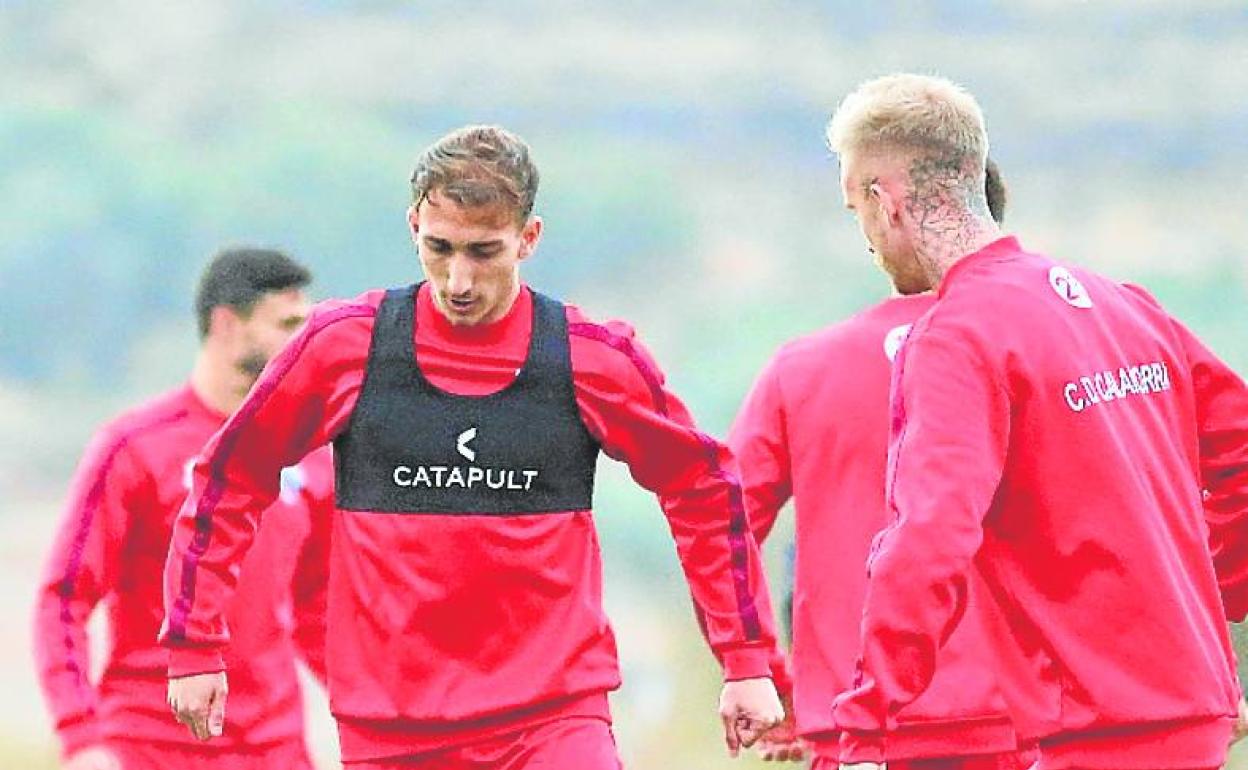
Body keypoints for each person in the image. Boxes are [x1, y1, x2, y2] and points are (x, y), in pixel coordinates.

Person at [159, 125, 785, 769]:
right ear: (414, 227)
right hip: (393, 732)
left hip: (553, 719)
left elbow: (702, 487)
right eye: (439, 248)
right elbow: (231, 477)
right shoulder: (341, 348)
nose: (458, 280)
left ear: (528, 239)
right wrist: (194, 643)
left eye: (484, 252)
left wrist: (745, 659)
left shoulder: (592, 358)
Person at [825, 72, 1248, 770]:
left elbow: (929, 535)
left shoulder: (957, 337)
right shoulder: (1122, 306)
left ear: (885, 201)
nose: (867, 239)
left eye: (854, 210)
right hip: (1193, 717)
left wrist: (868, 724)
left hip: (1095, 734)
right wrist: (1207, 606)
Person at [732, 161, 1031, 769]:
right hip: (1024, 724)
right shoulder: (1044, 349)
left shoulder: (802, 368)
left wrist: (759, 668)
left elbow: (720, 526)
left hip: (858, 730)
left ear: (881, 216)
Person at [33, 248, 332, 770]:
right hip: (151, 747)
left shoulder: (312, 455)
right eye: (287, 326)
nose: (305, 344)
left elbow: (320, 610)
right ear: (227, 325)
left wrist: (391, 721)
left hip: (275, 751)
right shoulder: (134, 448)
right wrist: (81, 735)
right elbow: (64, 599)